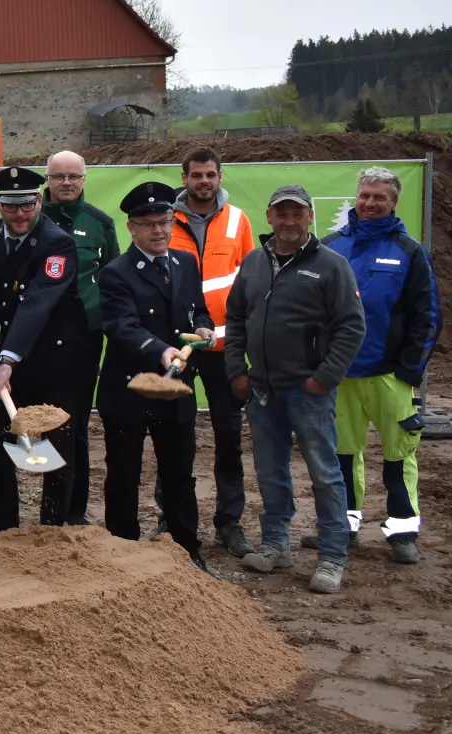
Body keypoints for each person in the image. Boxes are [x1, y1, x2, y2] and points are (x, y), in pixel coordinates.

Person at [225, 184, 365, 594]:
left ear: (309, 218)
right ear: (269, 217)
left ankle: (333, 555)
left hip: (309, 391)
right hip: (262, 390)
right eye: (281, 213)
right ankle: (276, 544)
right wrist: (237, 370)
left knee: (324, 472)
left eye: (297, 214)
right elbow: (235, 319)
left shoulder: (331, 265)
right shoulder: (253, 262)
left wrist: (324, 377)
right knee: (270, 472)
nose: (289, 221)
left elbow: (351, 326)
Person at [317, 167, 439, 564]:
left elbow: (428, 317)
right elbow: (312, 310)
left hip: (390, 377)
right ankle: (344, 528)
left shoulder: (409, 251)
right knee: (342, 456)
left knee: (398, 455)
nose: (369, 204)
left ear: (394, 203)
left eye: (379, 198)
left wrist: (409, 372)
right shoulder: (330, 247)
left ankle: (401, 531)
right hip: (341, 375)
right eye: (364, 196)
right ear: (356, 197)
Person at [96, 182, 215, 570]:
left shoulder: (185, 262)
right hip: (130, 388)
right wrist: (160, 349)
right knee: (124, 473)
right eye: (149, 224)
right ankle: (122, 549)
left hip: (176, 390)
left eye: (165, 221)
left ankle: (186, 551)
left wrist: (205, 328)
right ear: (131, 227)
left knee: (179, 474)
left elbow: (197, 310)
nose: (159, 231)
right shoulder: (116, 272)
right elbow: (121, 326)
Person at [0, 166, 85, 531]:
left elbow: (37, 304)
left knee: (59, 439)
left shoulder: (57, 242)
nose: (19, 215)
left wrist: (6, 361)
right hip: (7, 353)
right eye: (10, 207)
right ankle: (4, 516)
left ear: (39, 201)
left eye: (26, 206)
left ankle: (52, 524)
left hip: (55, 358)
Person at [167, 147, 256, 555]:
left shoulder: (238, 221)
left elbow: (250, 282)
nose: (204, 181)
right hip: (180, 347)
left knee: (228, 437)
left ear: (220, 177)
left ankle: (229, 521)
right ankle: (172, 517)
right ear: (184, 177)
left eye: (211, 174)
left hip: (224, 347)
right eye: (197, 174)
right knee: (174, 434)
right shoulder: (165, 219)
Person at [38, 150, 118, 524]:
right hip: (35, 338)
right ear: (47, 179)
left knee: (75, 425)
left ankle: (73, 509)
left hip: (83, 339)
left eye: (74, 176)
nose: (67, 183)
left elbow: (113, 279)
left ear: (85, 179)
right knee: (17, 421)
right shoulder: (31, 219)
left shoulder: (100, 223)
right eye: (59, 177)